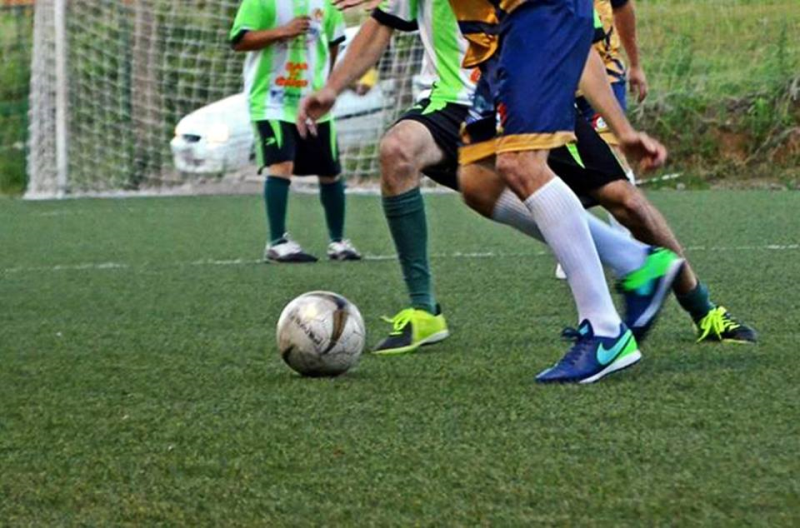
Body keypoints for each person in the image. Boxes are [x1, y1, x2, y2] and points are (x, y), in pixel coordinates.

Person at [302, 0, 680, 384]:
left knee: (521, 163)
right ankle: (636, 262)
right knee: (479, 181)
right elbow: (574, 39)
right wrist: (333, 88)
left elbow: (573, 35)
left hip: (539, 13)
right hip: (508, 43)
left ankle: (604, 330)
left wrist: (621, 128)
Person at [566, 0, 757, 343]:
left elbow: (598, 27)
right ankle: (602, 315)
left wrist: (635, 68)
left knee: (621, 197)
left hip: (592, 84)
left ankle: (698, 307)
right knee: (528, 190)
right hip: (524, 97)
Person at [230, 0, 361, 263]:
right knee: (281, 165)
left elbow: (334, 44)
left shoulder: (329, 4)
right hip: (271, 101)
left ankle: (338, 242)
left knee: (330, 171)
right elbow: (239, 41)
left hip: (312, 102)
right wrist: (281, 31)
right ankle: (277, 242)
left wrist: (326, 88)